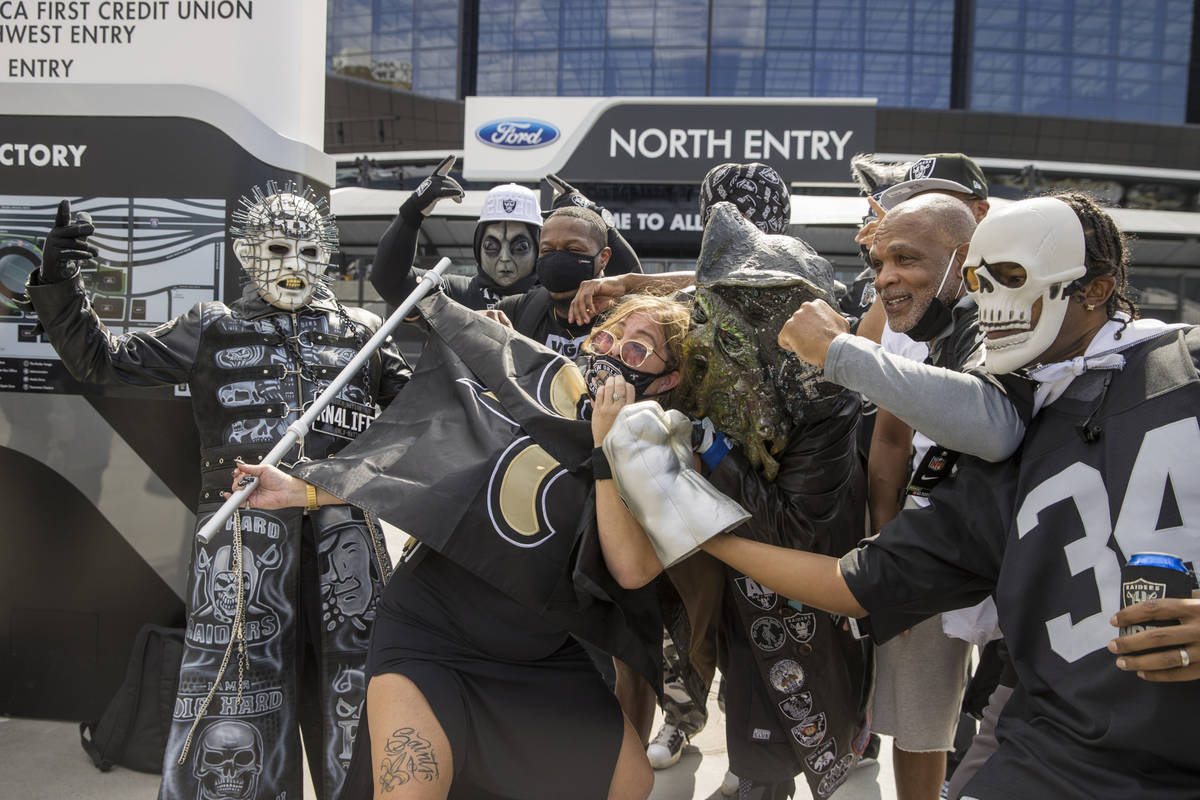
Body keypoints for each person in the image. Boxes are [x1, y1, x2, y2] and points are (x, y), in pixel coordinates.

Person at [677, 194, 1200, 800]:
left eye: (1010, 277)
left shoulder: (1181, 368)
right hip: (1051, 748)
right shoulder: (1006, 434)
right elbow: (854, 583)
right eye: (980, 279)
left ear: (1094, 288)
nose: (988, 298)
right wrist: (709, 533)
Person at [226, 291, 702, 800]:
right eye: (607, 336)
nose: (611, 353)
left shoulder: (670, 454)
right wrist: (306, 490)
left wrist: (608, 449)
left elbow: (630, 569)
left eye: (636, 349)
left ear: (669, 378)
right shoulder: (540, 385)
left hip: (539, 654)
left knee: (630, 781)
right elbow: (430, 460)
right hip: (432, 634)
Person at [26, 184, 413, 800]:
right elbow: (99, 360)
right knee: (234, 702)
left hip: (348, 546)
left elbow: (418, 430)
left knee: (359, 700)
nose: (293, 265)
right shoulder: (211, 327)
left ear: (328, 257)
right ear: (245, 251)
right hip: (242, 549)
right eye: (277, 248)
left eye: (309, 250)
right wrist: (58, 279)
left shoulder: (365, 332)